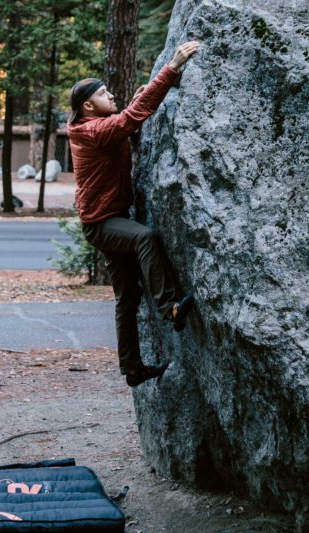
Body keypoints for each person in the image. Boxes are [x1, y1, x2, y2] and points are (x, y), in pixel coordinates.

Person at [67, 40, 199, 388]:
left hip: (105, 218)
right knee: (144, 237)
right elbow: (128, 120)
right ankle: (169, 307)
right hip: (102, 223)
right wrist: (171, 68)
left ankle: (132, 367)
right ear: (87, 106)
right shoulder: (93, 131)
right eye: (104, 94)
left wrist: (145, 94)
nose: (111, 96)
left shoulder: (95, 128)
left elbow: (128, 122)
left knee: (127, 297)